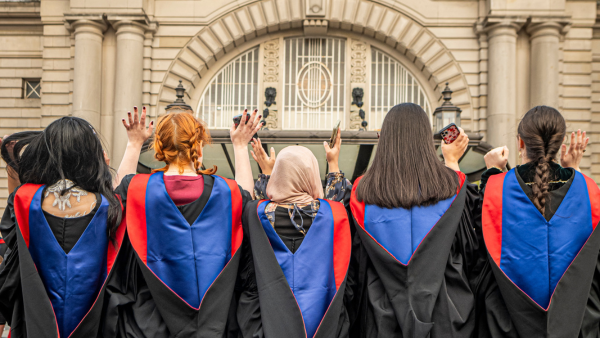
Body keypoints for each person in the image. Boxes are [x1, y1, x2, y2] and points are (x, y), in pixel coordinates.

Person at [312, 103, 480, 337]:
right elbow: (470, 253)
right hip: (446, 318)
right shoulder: (453, 188)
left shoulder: (362, 193)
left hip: (379, 317)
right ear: (425, 138)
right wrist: (452, 164)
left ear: (385, 139)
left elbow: (353, 264)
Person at [104, 108, 262, 337]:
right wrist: (240, 146)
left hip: (149, 322)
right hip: (214, 323)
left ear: (160, 146)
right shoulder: (227, 191)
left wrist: (134, 144)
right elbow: (245, 203)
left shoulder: (138, 188)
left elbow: (115, 201)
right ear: (198, 145)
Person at [477, 106, 600, 337]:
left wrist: (492, 171)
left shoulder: (495, 190)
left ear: (521, 143)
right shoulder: (589, 192)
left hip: (507, 325)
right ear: (560, 144)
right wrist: (575, 171)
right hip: (576, 326)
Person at [0, 118, 127, 338]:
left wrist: (13, 164)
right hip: (94, 326)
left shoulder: (25, 200)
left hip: (34, 326)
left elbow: (13, 245)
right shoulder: (113, 207)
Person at [237, 145, 352, 338]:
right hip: (324, 322)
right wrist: (333, 162)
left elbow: (247, 276)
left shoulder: (254, 213)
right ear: (312, 174)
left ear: (278, 175)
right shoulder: (335, 214)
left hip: (267, 325)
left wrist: (266, 174)